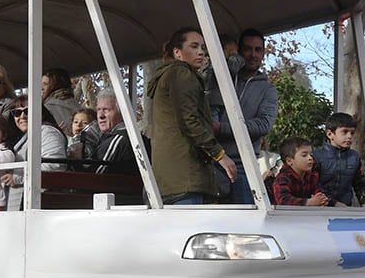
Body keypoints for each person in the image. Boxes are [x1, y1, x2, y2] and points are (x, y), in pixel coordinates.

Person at [144, 27, 236, 205]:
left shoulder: (167, 76)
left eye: (202, 47)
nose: (201, 52)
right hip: (185, 176)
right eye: (194, 46)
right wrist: (220, 155)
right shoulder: (182, 73)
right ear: (177, 52)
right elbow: (189, 121)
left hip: (168, 176)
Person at [211, 28, 278, 204]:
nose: (253, 55)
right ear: (239, 52)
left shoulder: (267, 90)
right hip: (211, 163)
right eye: (247, 49)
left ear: (264, 53)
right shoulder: (222, 79)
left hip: (243, 169)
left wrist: (221, 128)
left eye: (258, 50)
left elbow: (263, 125)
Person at [0, 95, 67, 211]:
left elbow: (55, 166)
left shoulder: (47, 132)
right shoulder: (20, 139)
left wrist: (18, 178)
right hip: (16, 208)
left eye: (27, 111)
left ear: (41, 113)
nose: (22, 116)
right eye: (16, 113)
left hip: (36, 207)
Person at [314, 112, 365, 207]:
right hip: (320, 210)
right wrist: (333, 203)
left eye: (352, 133)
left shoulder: (354, 157)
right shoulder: (316, 156)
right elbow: (313, 186)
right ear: (330, 134)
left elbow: (360, 184)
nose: (349, 136)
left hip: (345, 210)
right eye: (344, 132)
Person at [81, 93, 135, 175]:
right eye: (98, 110)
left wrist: (77, 159)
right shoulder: (109, 137)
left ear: (122, 112)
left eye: (106, 110)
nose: (101, 116)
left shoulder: (120, 139)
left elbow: (96, 175)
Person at [272, 137, 329, 206]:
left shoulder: (312, 177)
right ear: (289, 161)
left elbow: (320, 193)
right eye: (304, 155)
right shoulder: (282, 179)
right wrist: (308, 202)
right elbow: (283, 200)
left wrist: (323, 200)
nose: (310, 158)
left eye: (311, 155)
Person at [41, 68, 78, 135]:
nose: (41, 87)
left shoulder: (48, 107)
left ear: (55, 86)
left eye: (45, 84)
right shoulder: (75, 104)